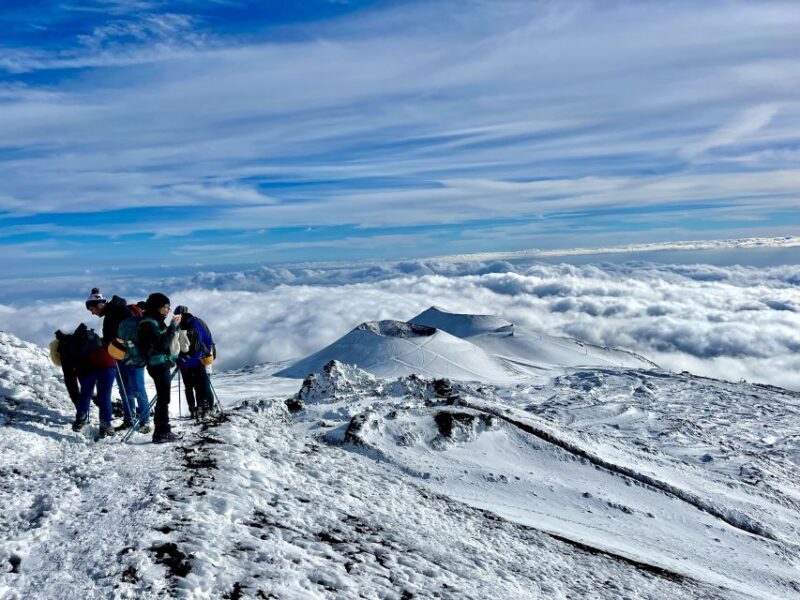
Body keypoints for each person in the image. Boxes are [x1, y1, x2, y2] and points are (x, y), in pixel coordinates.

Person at [138, 293, 182, 443]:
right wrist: (173, 327)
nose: (168, 310)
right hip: (158, 365)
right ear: (158, 307)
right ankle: (161, 432)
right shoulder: (149, 323)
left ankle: (163, 430)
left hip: (158, 364)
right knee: (164, 398)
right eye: (166, 307)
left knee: (164, 398)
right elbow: (162, 344)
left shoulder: (152, 321)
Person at [69, 323, 117, 438]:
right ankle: (105, 425)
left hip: (88, 369)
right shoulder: (95, 338)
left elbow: (74, 365)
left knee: (85, 394)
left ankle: (81, 418)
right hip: (108, 365)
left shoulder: (73, 344)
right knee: (105, 395)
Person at [174, 306, 216, 419]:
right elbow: (207, 339)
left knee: (191, 387)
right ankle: (205, 408)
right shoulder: (198, 322)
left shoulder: (178, 326)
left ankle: (195, 410)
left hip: (187, 361)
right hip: (200, 359)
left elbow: (175, 345)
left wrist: (178, 359)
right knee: (202, 386)